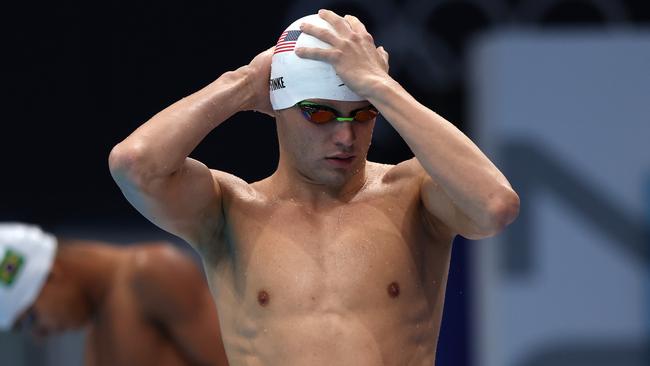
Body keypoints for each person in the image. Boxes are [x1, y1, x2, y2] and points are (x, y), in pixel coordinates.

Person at [109, 9, 519, 365]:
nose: (346, 137)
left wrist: (382, 87)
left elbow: (494, 205)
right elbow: (135, 165)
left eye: (362, 115)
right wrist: (243, 84)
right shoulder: (228, 210)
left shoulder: (412, 194)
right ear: (279, 109)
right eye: (320, 115)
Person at [0, 223, 229, 366]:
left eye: (30, 319)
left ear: (49, 276)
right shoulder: (97, 326)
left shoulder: (151, 272)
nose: (39, 335)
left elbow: (239, 361)